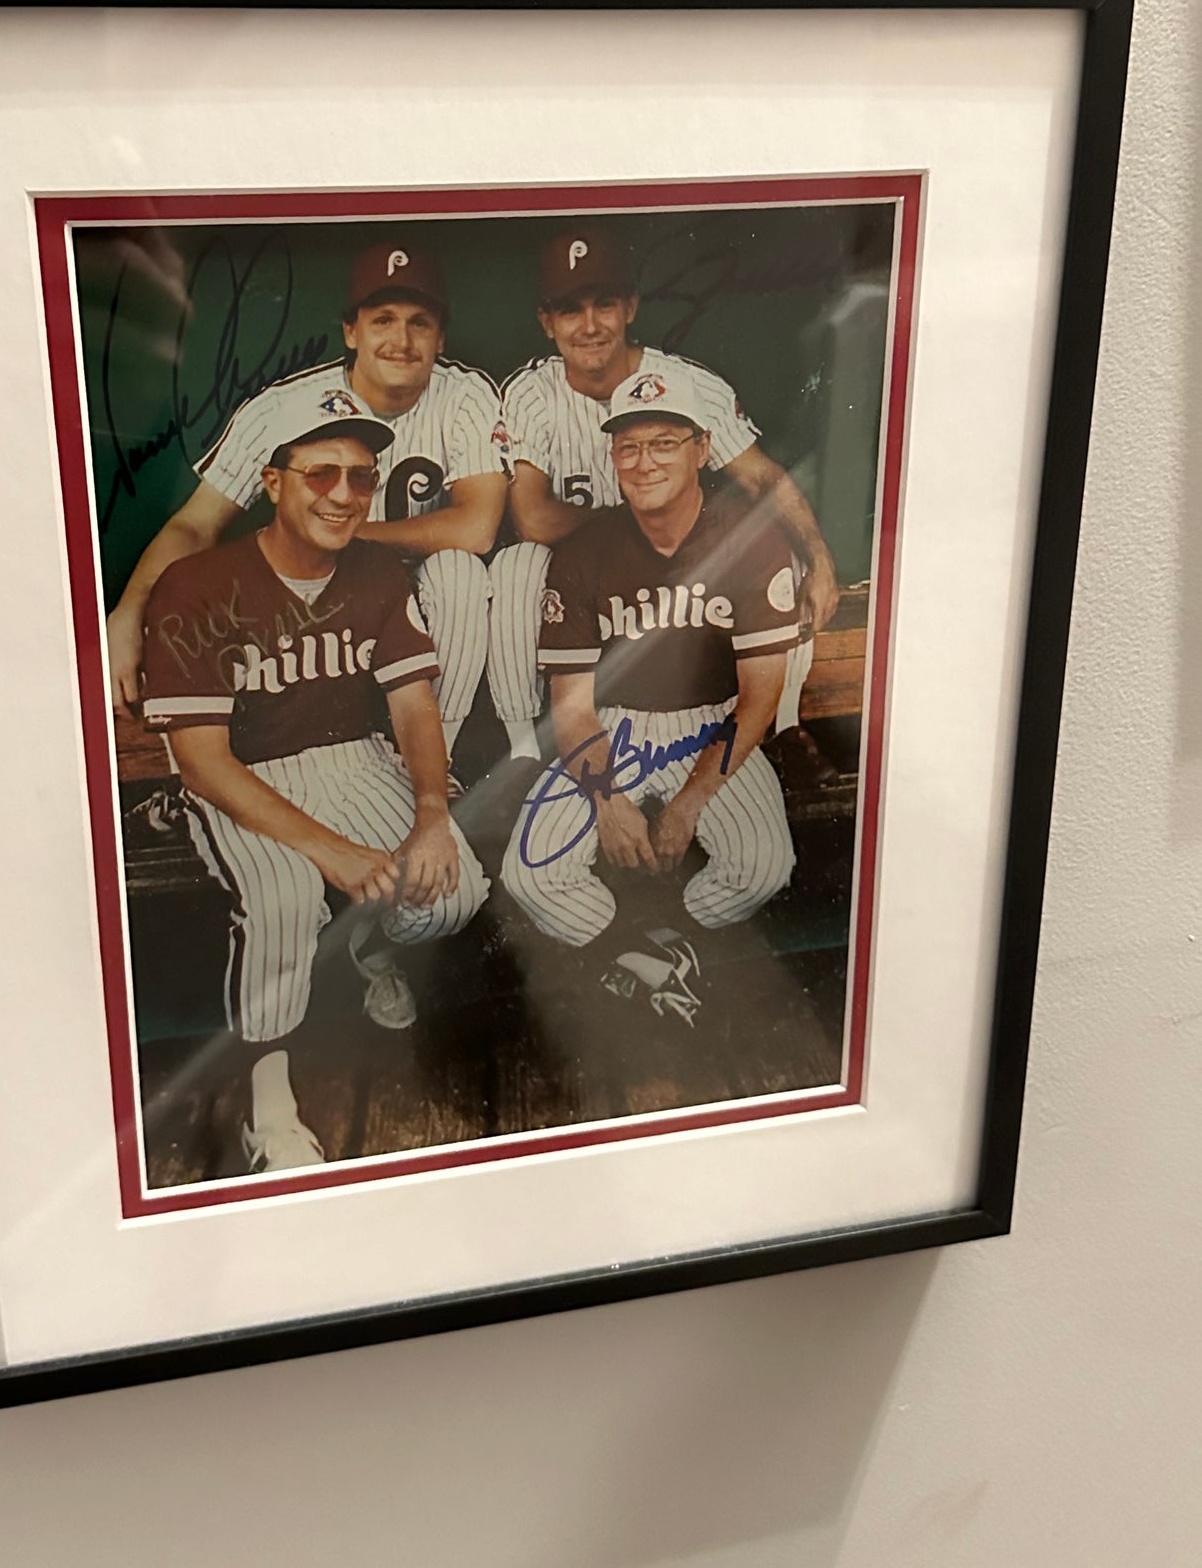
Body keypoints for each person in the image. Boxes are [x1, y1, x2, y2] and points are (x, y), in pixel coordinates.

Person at [140, 381, 488, 1171]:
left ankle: (362, 948)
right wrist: (331, 852)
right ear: (271, 482)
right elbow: (201, 758)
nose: (344, 493)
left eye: (361, 476)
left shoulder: (374, 573)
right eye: (319, 473)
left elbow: (413, 708)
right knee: (284, 896)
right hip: (239, 773)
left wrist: (431, 811)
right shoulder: (195, 584)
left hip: (349, 755)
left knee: (455, 886)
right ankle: (271, 1105)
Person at [110, 242, 507, 765]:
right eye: (382, 319)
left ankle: (439, 760)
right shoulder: (283, 407)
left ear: (441, 337)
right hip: (320, 603)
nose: (401, 339)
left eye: (420, 322)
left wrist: (339, 527)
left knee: (461, 575)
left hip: (419, 602)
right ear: (351, 331)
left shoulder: (465, 396)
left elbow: (476, 529)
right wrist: (128, 609)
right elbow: (196, 526)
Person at [501, 367, 799, 1020]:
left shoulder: (750, 537)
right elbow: (573, 706)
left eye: (664, 442)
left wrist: (691, 800)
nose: (643, 461)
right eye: (628, 446)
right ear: (612, 456)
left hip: (714, 723)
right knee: (530, 874)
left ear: (700, 449)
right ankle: (644, 957)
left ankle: (667, 940)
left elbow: (758, 698)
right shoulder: (584, 549)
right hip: (612, 726)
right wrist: (606, 800)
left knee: (762, 866)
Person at [486, 227, 837, 762]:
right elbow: (532, 517)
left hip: (673, 565)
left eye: (604, 303)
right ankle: (525, 750)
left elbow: (765, 479)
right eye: (570, 309)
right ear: (546, 322)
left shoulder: (686, 383)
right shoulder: (532, 393)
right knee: (516, 566)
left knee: (777, 546)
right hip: (585, 576)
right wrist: (631, 523)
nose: (589, 325)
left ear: (630, 306)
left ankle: (783, 728)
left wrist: (821, 556)